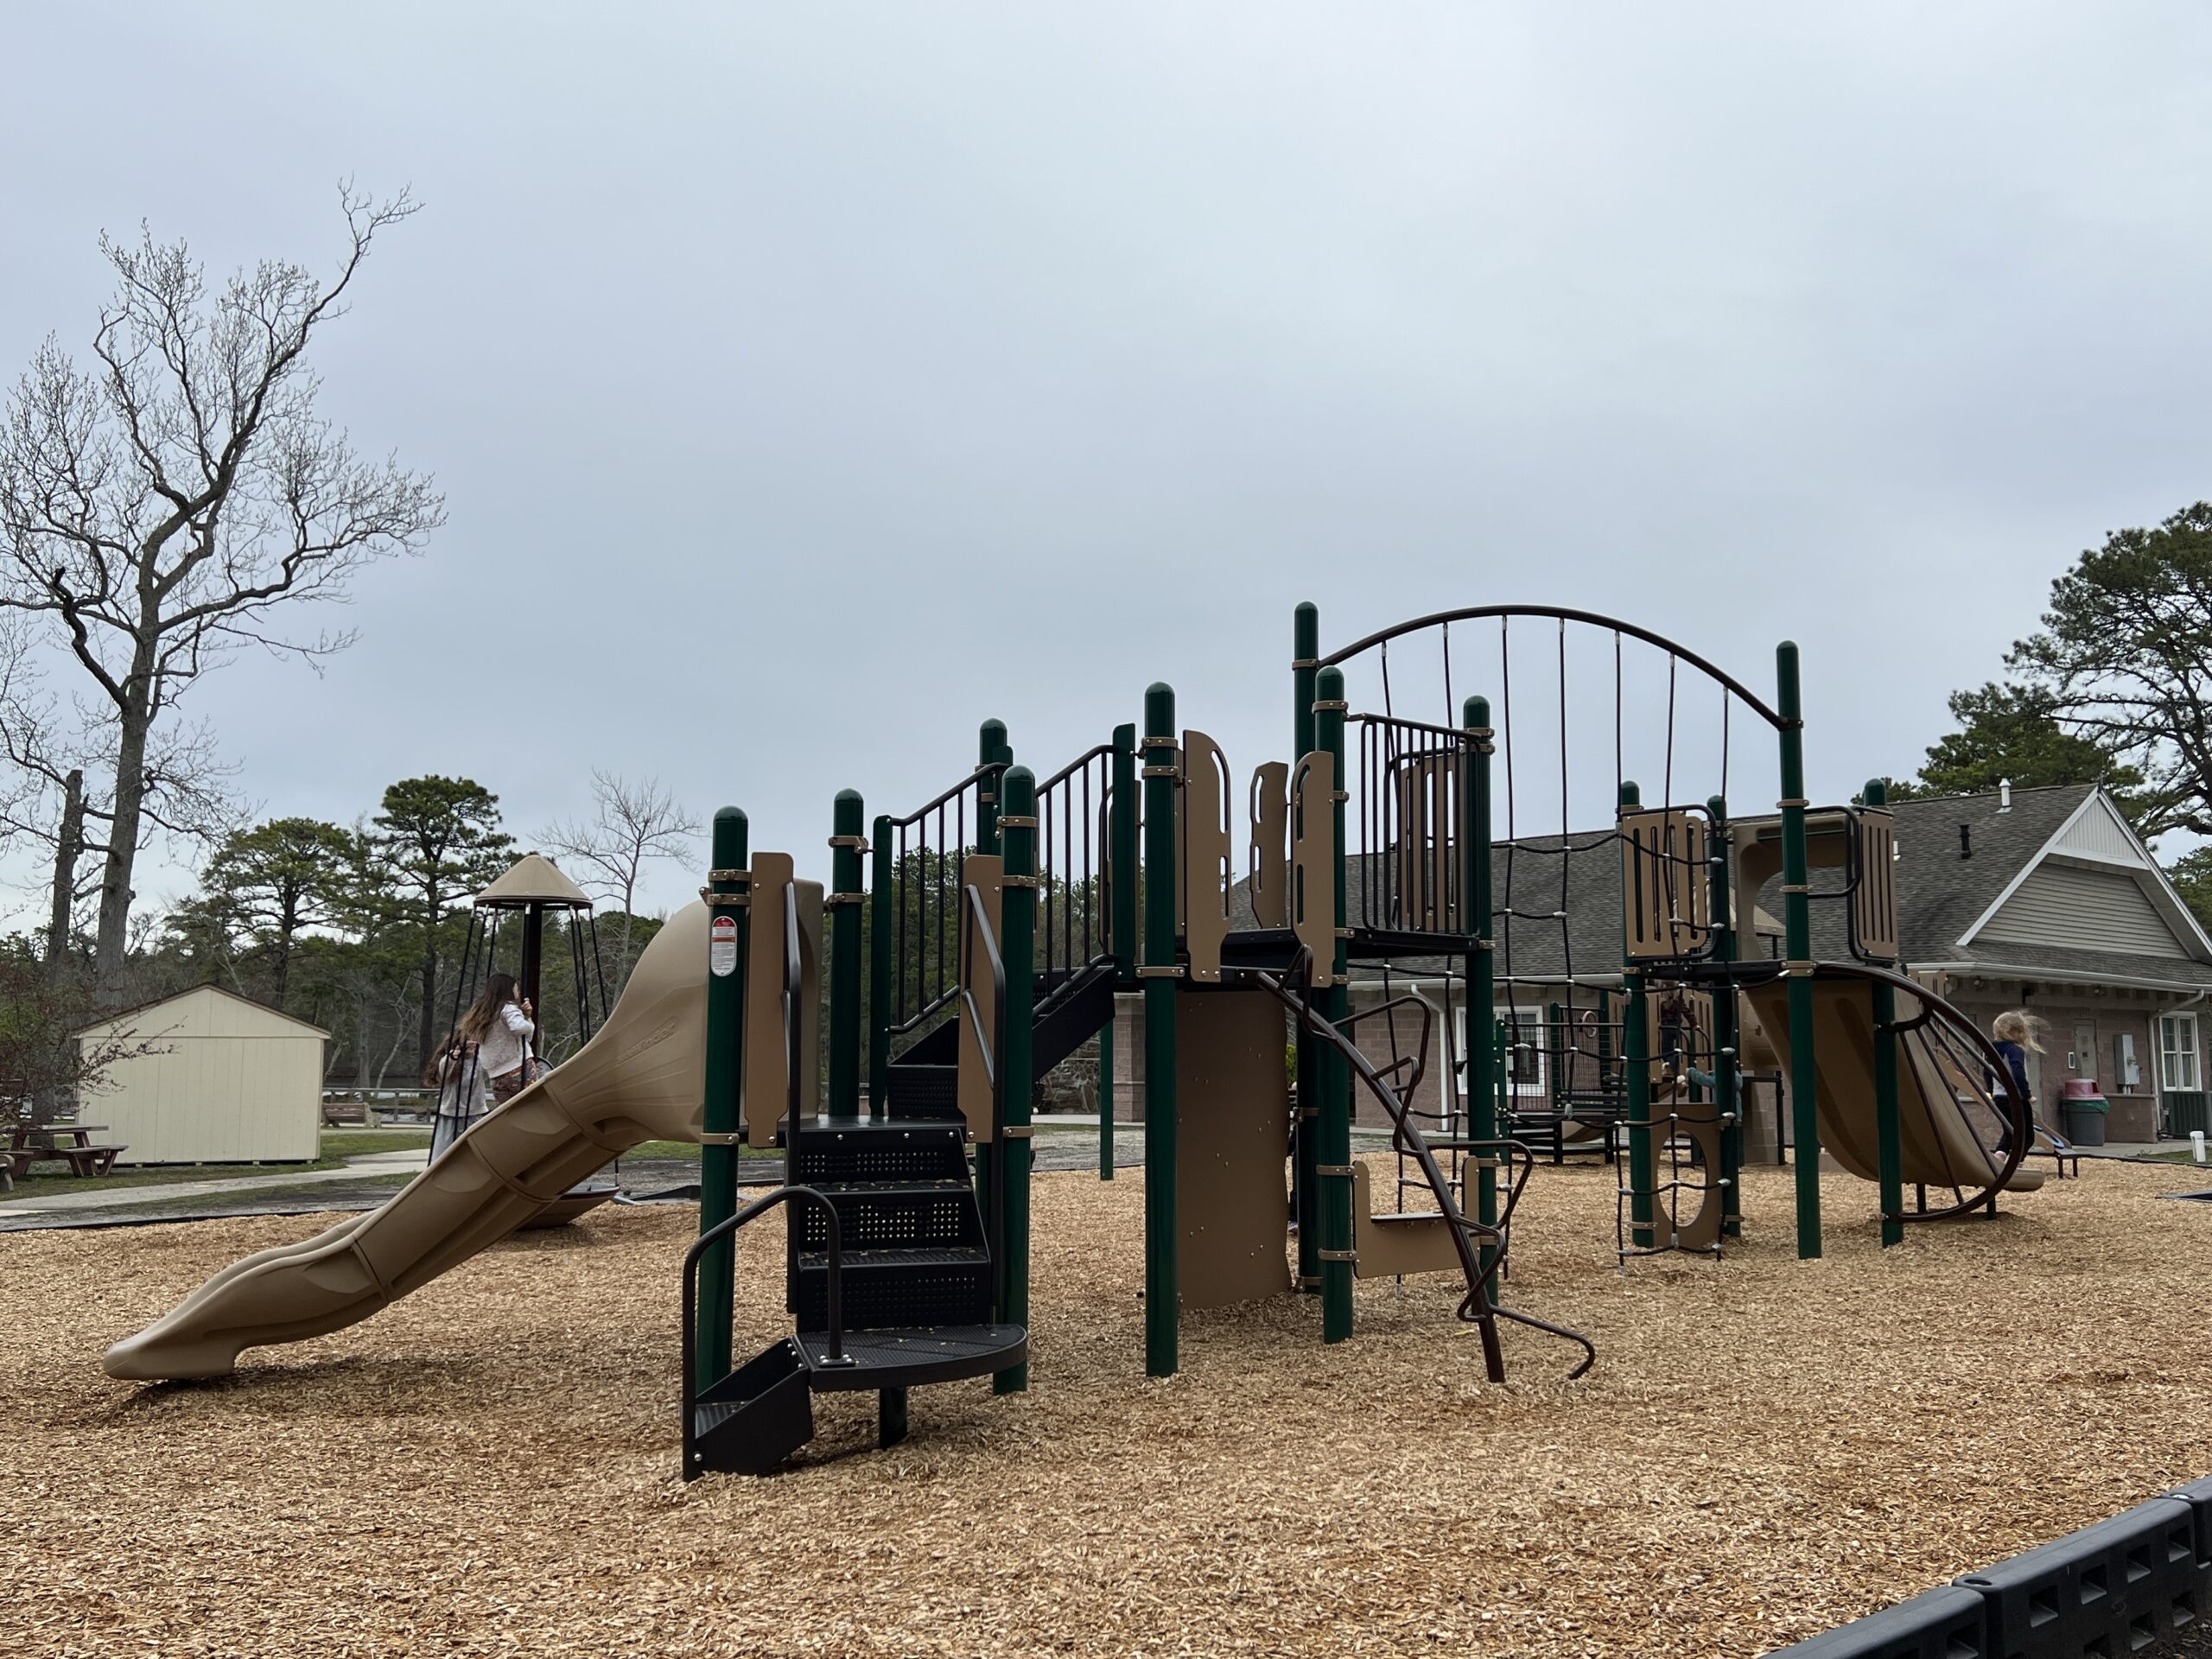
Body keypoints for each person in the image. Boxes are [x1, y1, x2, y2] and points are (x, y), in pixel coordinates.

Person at [460, 972, 539, 1103]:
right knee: (530, 1106)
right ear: (508, 990)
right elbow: (519, 1028)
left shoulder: (482, 1013)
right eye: (516, 989)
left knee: (506, 1111)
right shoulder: (508, 1008)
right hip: (518, 1066)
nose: (518, 992)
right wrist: (528, 1019)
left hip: (495, 1074)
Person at [426, 1035, 489, 1160]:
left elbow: (490, 1070)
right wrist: (453, 1056)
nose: (472, 1043)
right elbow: (443, 1073)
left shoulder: (480, 1060)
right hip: (450, 1115)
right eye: (468, 1040)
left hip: (475, 1114)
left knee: (473, 1157)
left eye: (474, 1040)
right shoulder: (450, 1061)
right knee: (443, 1156)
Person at [1990, 1009, 2044, 1153]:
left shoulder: (1990, 1049)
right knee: (2027, 1136)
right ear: (2016, 1032)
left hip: (1999, 1097)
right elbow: (2018, 1073)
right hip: (2016, 1098)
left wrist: (1991, 1091)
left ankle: (2000, 1155)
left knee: (2010, 1132)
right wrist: (2027, 1095)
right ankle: (2018, 1162)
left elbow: (1986, 1071)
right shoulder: (2015, 1050)